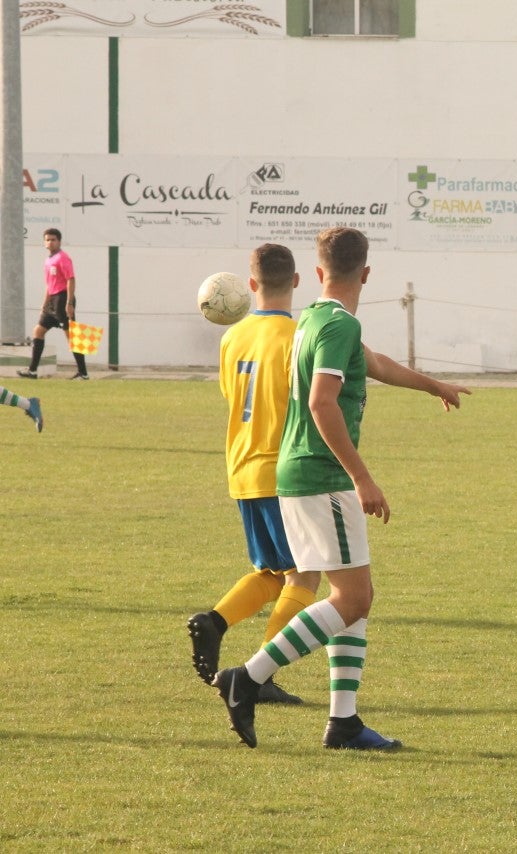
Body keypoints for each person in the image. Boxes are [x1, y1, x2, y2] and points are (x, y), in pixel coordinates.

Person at [213, 226, 471, 751]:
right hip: (322, 476)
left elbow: (373, 365)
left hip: (296, 475)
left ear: (318, 272)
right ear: (368, 274)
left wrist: (432, 385)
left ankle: (343, 721)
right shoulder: (338, 327)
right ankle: (249, 677)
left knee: (350, 597)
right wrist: (362, 477)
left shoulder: (312, 319)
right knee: (354, 597)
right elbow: (321, 403)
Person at [187, 243, 315, 706]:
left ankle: (215, 620)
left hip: (240, 467)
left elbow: (232, 396)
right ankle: (259, 675)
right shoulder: (299, 338)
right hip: (281, 471)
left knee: (274, 571)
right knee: (305, 574)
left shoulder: (231, 338)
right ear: (297, 282)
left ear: (252, 284)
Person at [18, 228, 90, 380]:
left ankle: (83, 373)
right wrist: (44, 304)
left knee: (71, 336)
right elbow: (49, 285)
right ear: (44, 242)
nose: (50, 242)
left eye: (53, 239)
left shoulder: (63, 258)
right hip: (52, 301)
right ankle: (32, 371)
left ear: (59, 241)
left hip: (63, 299)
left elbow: (71, 279)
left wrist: (69, 302)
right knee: (38, 331)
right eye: (48, 239)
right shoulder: (48, 260)